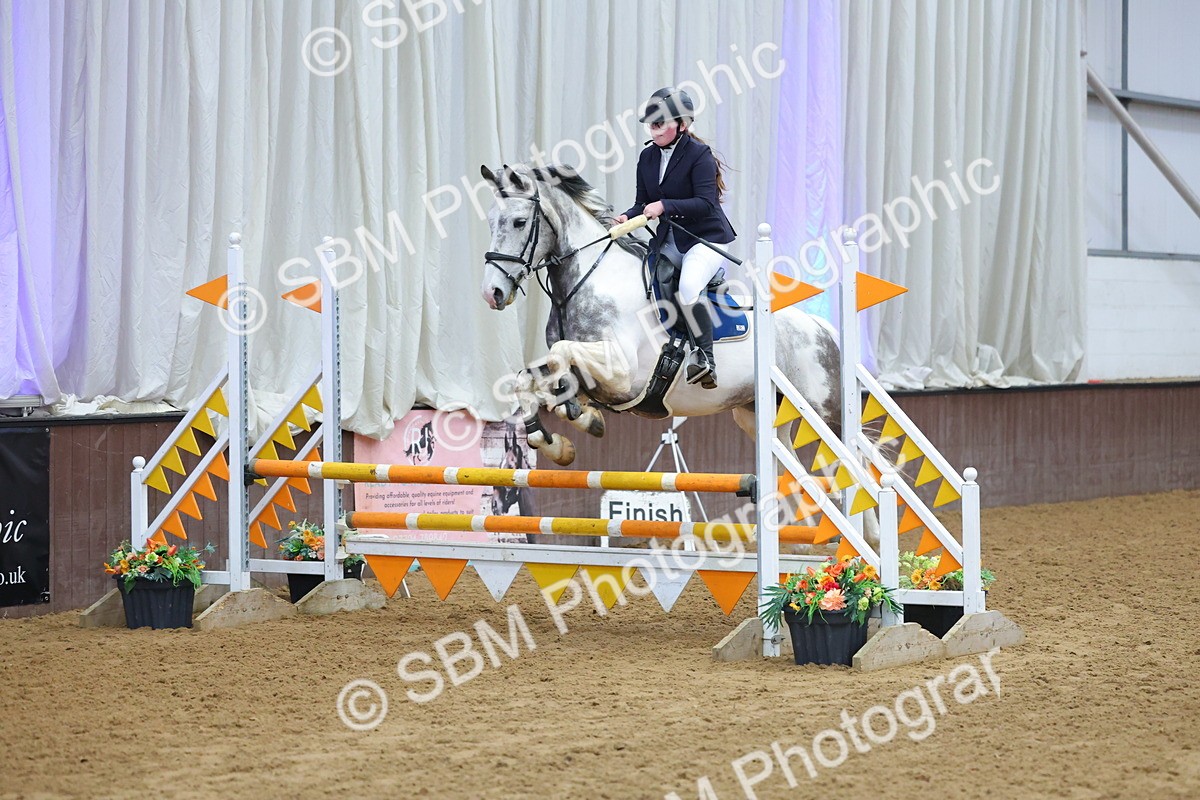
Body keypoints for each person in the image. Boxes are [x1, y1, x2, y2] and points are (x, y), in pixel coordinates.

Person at [614, 87, 736, 388]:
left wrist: (665, 205)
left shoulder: (700, 156)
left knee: (689, 287)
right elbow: (642, 201)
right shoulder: (647, 157)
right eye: (651, 125)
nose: (653, 131)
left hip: (705, 239)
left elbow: (706, 203)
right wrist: (627, 216)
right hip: (670, 239)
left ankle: (705, 359)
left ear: (682, 124)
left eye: (659, 124)